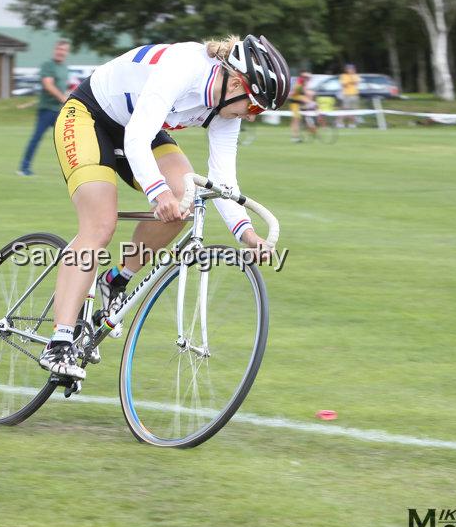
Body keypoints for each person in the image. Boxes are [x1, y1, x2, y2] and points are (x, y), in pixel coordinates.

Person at [39, 35, 290, 378]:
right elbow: (136, 138)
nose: (253, 116)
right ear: (235, 82)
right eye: (256, 107)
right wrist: (158, 195)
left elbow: (224, 182)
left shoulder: (227, 110)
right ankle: (59, 342)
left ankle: (116, 279)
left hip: (138, 127)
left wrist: (248, 235)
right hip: (90, 116)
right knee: (100, 225)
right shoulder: (184, 67)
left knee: (187, 199)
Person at [18, 40, 71, 175]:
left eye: (64, 50)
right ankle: (24, 168)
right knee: (37, 138)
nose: (61, 52)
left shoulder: (64, 68)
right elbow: (48, 85)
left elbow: (63, 88)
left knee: (69, 138)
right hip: (47, 109)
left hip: (60, 110)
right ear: (55, 50)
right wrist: (63, 99)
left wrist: (69, 100)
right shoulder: (48, 65)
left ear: (67, 52)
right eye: (59, 49)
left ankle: (72, 169)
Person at [288, 71, 313, 142]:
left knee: (297, 120)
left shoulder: (302, 83)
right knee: (296, 120)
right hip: (295, 103)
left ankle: (296, 136)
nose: (308, 79)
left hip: (299, 103)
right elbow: (294, 94)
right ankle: (295, 137)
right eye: (307, 78)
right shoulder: (299, 84)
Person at [339, 63, 361, 128]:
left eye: (351, 69)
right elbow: (343, 84)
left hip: (354, 94)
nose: (350, 70)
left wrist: (351, 79)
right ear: (346, 69)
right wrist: (350, 81)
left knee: (354, 110)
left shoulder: (356, 75)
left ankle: (352, 124)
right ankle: (340, 123)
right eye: (348, 69)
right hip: (346, 94)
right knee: (345, 109)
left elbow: (356, 83)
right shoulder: (343, 76)